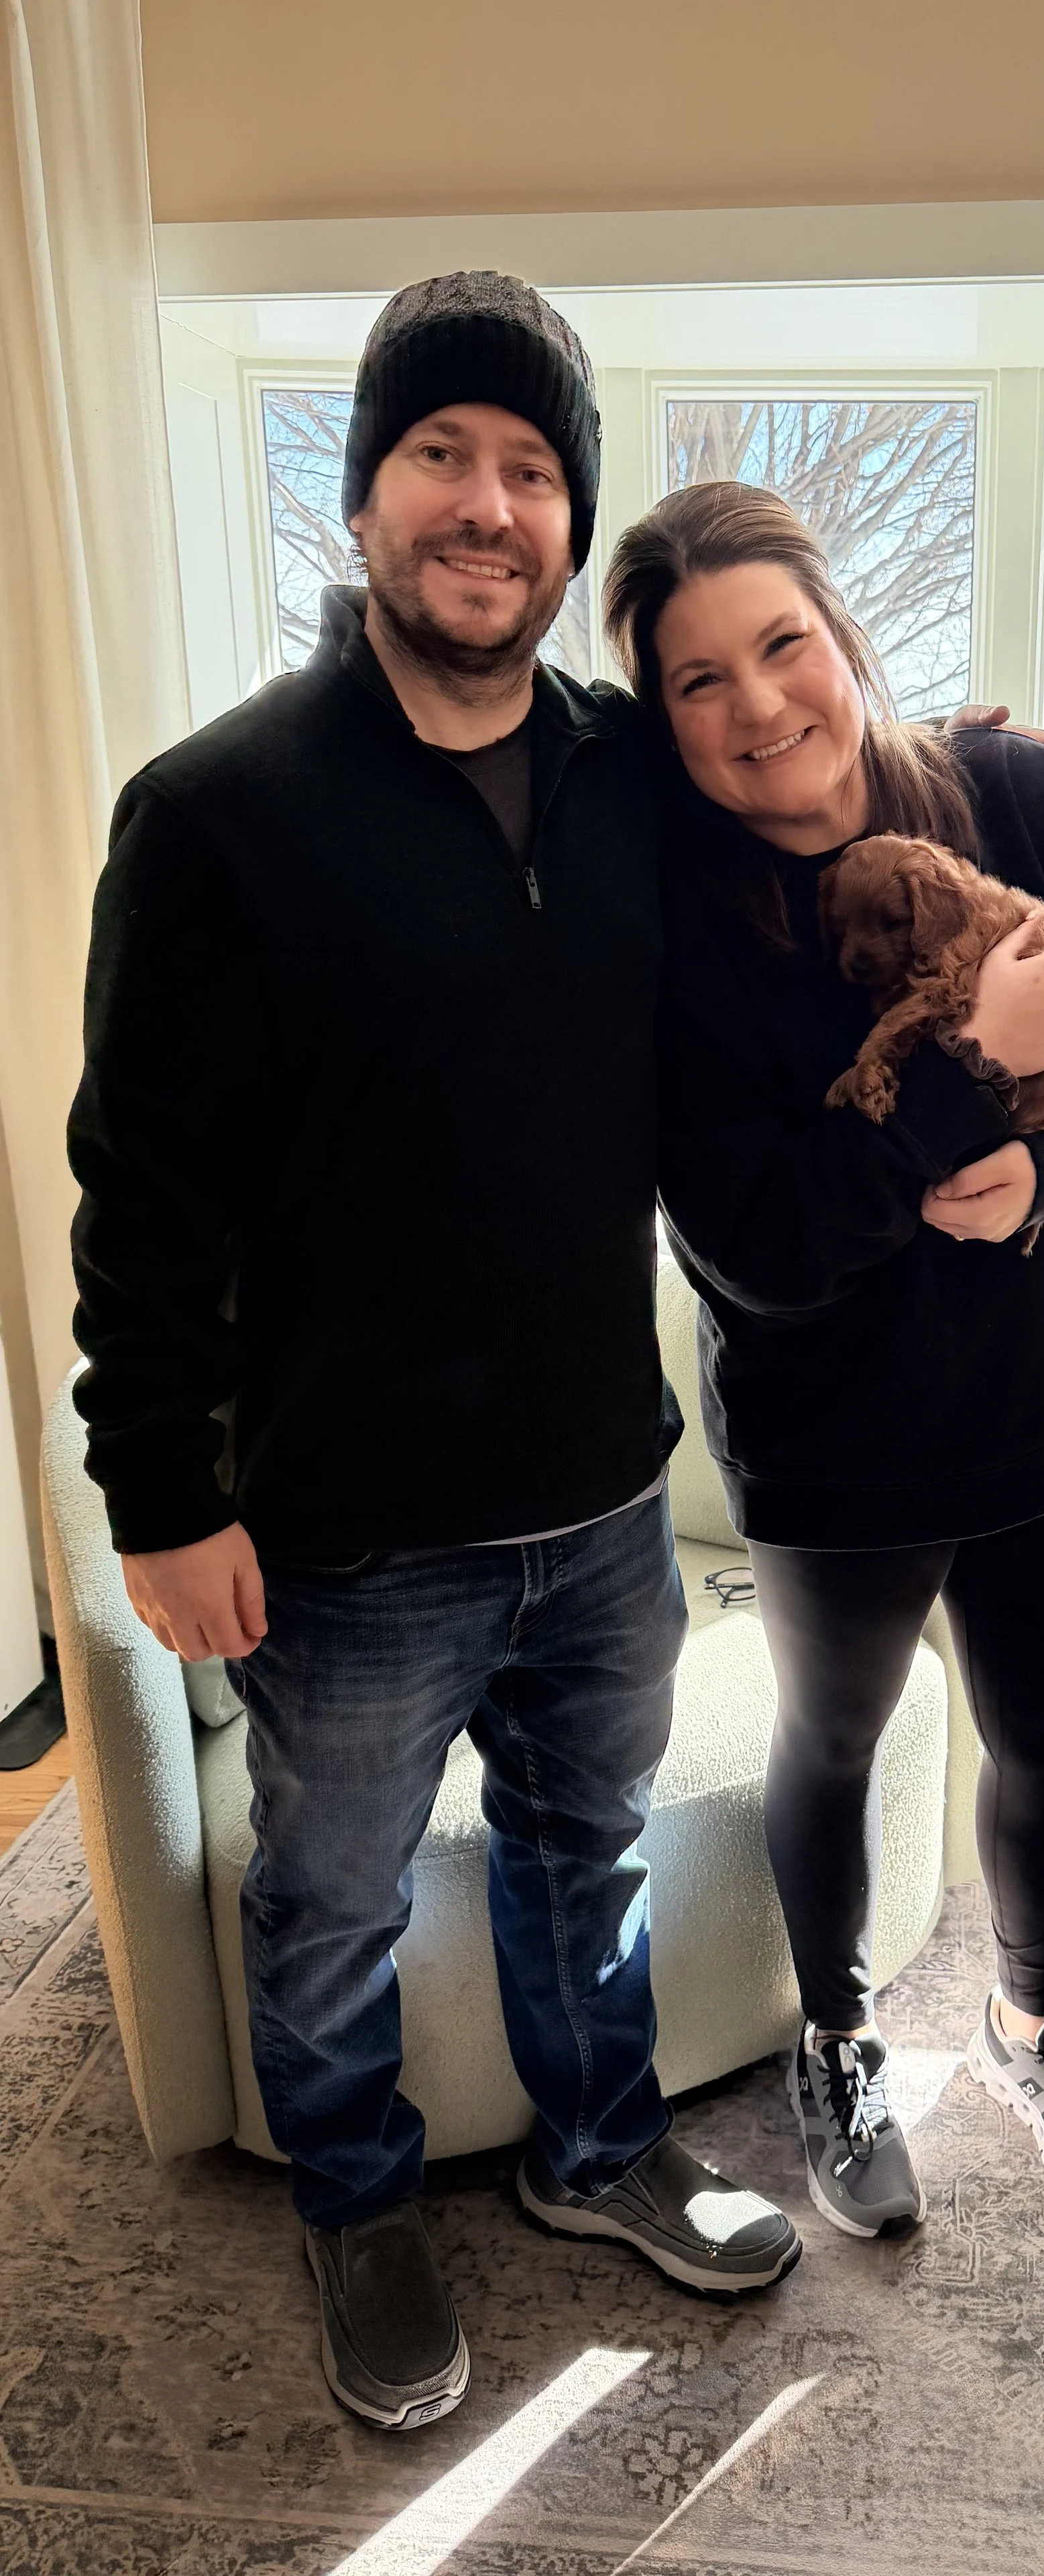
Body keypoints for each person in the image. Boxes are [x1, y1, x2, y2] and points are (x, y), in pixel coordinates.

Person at [66, 274, 812, 2436]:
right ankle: (358, 2201)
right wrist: (166, 1495)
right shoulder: (216, 815)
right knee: (331, 1900)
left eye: (532, 472)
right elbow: (148, 1191)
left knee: (590, 1849)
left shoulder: (629, 782)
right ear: (369, 489)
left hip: (597, 1491)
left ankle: (595, 2156)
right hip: (350, 1531)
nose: (487, 507)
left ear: (568, 528)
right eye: (441, 459)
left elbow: (811, 824)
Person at [602, 480, 1044, 2241]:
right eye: (695, 681)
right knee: (829, 1743)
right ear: (659, 722)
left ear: (842, 639)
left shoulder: (1016, 795)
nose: (758, 704)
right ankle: (837, 2035)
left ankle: (1033, 2026)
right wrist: (968, 1079)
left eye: (781, 644)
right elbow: (755, 1250)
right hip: (828, 1453)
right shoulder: (675, 925)